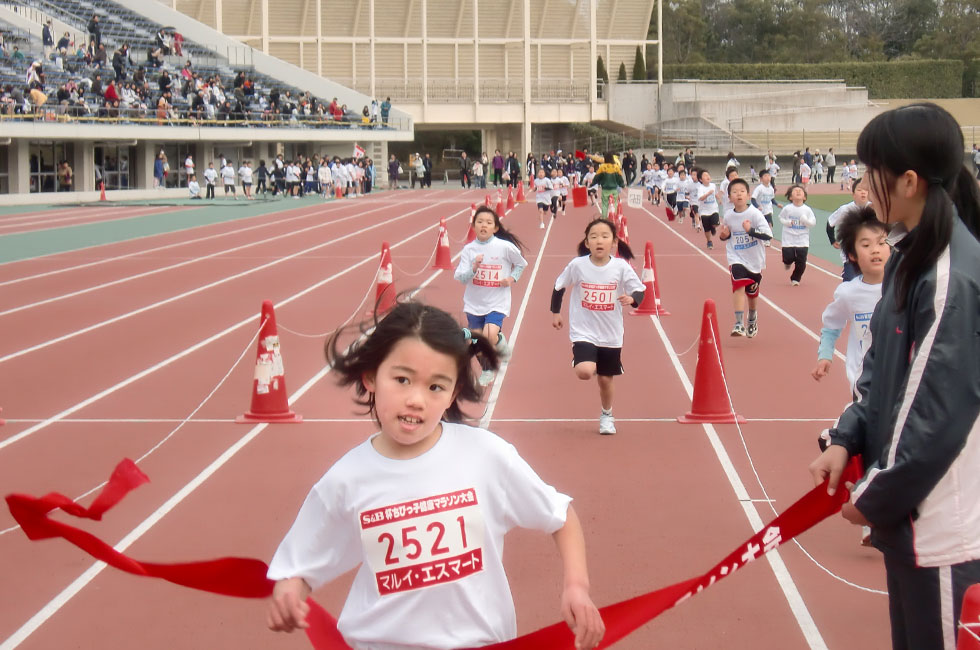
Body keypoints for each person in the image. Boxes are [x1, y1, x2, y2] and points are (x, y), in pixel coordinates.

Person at [266, 302, 605, 649]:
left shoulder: (486, 456)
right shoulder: (345, 480)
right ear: (370, 377)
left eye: (436, 387)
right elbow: (300, 565)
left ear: (454, 392)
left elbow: (560, 516)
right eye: (402, 380)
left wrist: (576, 586)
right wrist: (290, 589)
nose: (416, 400)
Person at [808, 102, 980, 650]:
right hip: (914, 517)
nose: (860, 183)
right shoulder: (911, 256)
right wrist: (847, 434)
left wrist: (875, 494)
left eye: (868, 171)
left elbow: (935, 410)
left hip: (944, 520)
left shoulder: (950, 273)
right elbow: (882, 366)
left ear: (907, 181)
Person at [551, 218, 645, 435]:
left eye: (605, 236)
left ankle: (607, 414)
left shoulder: (621, 267)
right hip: (583, 330)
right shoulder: (578, 265)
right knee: (585, 371)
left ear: (614, 242)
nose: (599, 240)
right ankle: (582, 357)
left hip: (611, 333)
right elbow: (558, 287)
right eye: (593, 237)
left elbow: (639, 290)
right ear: (587, 243)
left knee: (604, 379)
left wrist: (632, 300)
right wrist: (555, 312)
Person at [454, 205, 528, 386]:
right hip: (474, 303)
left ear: (495, 227)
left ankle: (499, 339)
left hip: (497, 301)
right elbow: (461, 278)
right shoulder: (469, 250)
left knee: (488, 335)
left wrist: (511, 279)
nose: (483, 225)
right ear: (473, 226)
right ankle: (487, 370)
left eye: (488, 222)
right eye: (479, 222)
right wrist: (473, 268)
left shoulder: (504, 247)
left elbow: (521, 264)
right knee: (478, 341)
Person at [718, 178, 773, 337]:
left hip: (755, 260)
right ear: (730, 198)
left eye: (742, 191)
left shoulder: (755, 214)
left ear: (748, 195)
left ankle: (752, 317)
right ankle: (738, 323)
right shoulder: (728, 215)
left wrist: (750, 230)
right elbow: (726, 236)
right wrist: (724, 236)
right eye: (734, 192)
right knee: (738, 286)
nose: (739, 194)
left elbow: (768, 235)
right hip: (736, 257)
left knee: (752, 293)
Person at [827, 178, 872, 281]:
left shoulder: (875, 209)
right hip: (850, 256)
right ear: (853, 194)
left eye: (866, 190)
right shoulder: (845, 210)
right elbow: (830, 223)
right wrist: (832, 240)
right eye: (860, 190)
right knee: (850, 281)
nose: (863, 193)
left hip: (870, 254)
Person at [778, 184, 816, 285]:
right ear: (790, 197)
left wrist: (806, 221)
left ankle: (795, 278)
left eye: (800, 191)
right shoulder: (787, 208)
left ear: (804, 197)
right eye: (795, 191)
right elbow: (781, 218)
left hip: (802, 239)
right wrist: (787, 222)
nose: (798, 191)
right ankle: (787, 262)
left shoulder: (807, 210)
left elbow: (813, 223)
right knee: (788, 257)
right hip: (788, 238)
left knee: (801, 262)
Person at [593, 153, 624, 219]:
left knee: (604, 204)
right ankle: (614, 216)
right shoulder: (616, 167)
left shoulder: (602, 166)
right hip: (614, 189)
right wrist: (622, 185)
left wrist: (593, 183)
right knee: (615, 203)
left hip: (605, 189)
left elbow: (597, 177)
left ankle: (604, 218)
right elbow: (620, 177)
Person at [696, 169, 721, 249]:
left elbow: (716, 193)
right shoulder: (700, 188)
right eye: (705, 175)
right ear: (700, 179)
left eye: (708, 175)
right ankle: (709, 241)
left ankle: (713, 227)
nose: (708, 176)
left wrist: (719, 199)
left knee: (716, 223)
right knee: (707, 229)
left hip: (714, 209)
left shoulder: (713, 185)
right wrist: (707, 194)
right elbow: (701, 198)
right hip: (704, 211)